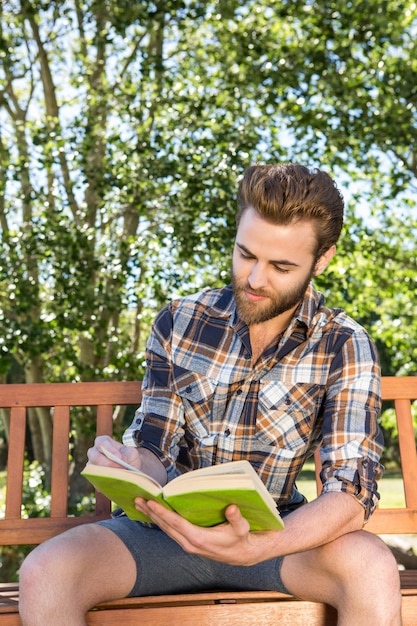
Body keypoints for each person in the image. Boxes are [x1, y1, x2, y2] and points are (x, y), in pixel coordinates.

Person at [19, 163, 402, 625]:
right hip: (165, 534)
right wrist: (130, 463)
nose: (256, 278)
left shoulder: (344, 343)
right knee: (45, 571)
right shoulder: (181, 321)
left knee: (372, 564)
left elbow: (352, 492)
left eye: (281, 266)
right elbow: (155, 445)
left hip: (275, 541)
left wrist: (261, 544)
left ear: (322, 260)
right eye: (246, 254)